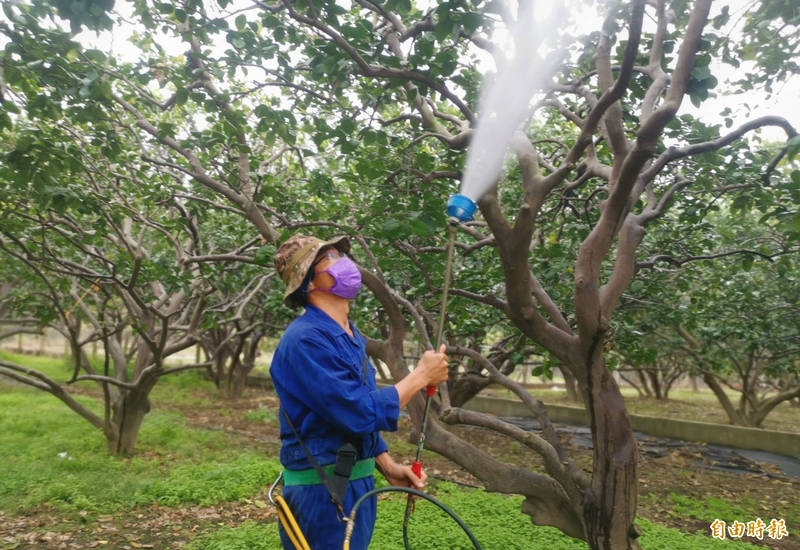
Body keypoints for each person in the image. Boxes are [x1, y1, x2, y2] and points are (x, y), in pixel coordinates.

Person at [270, 234, 449, 550]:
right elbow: (356, 411)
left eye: (341, 254)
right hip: (322, 492)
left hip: (354, 483)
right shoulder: (306, 340)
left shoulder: (349, 335)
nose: (344, 262)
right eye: (330, 258)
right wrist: (420, 375)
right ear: (308, 282)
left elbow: (347, 417)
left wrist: (386, 464)